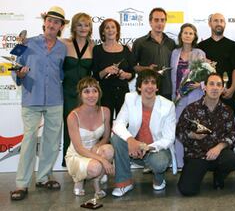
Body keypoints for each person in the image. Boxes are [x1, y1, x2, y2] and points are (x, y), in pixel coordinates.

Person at [10, 6, 68, 201]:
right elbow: (15, 66)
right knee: (28, 141)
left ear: (61, 26)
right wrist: (19, 74)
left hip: (54, 99)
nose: (52, 24)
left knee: (51, 142)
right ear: (44, 22)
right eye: (49, 20)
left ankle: (43, 177)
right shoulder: (27, 43)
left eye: (56, 22)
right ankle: (21, 184)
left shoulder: (62, 47)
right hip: (31, 98)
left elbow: (61, 73)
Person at [111, 69, 176, 197]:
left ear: (157, 87)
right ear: (139, 87)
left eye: (153, 83)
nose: (150, 86)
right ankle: (125, 183)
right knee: (116, 139)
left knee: (160, 162)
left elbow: (169, 138)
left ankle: (159, 179)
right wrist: (131, 140)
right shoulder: (130, 99)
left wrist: (148, 147)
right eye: (146, 82)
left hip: (155, 150)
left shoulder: (168, 106)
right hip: (134, 149)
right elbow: (118, 124)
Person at [176, 73, 235, 196]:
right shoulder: (191, 109)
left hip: (218, 154)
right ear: (204, 87)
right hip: (196, 154)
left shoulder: (227, 110)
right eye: (211, 84)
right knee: (187, 190)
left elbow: (232, 135)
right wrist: (192, 135)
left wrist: (219, 147)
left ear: (222, 89)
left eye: (218, 85)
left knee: (232, 160)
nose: (215, 88)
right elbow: (179, 130)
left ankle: (219, 176)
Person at [65, 77, 114, 199]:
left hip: (93, 149)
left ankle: (96, 182)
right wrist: (103, 161)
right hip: (77, 154)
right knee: (96, 167)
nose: (91, 95)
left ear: (99, 93)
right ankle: (78, 179)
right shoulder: (72, 116)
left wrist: (98, 145)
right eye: (86, 91)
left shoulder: (106, 111)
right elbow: (79, 148)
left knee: (109, 150)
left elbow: (106, 136)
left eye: (94, 91)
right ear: (80, 95)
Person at [171, 23, 206, 169]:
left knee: (194, 128)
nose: (187, 35)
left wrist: (200, 84)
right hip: (179, 97)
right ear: (181, 35)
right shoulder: (174, 53)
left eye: (191, 33)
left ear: (194, 36)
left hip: (195, 96)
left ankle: (195, 162)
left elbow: (205, 73)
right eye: (185, 33)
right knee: (179, 129)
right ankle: (179, 163)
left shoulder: (199, 53)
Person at [61, 12, 94, 166]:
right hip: (67, 93)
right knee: (70, 128)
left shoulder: (93, 46)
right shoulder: (64, 44)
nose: (83, 28)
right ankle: (69, 162)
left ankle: (86, 161)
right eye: (79, 24)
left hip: (86, 96)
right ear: (73, 27)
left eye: (86, 25)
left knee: (86, 128)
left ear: (90, 28)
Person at [92, 18, 135, 126]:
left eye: (113, 27)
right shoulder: (97, 50)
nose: (110, 30)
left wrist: (126, 75)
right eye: (107, 27)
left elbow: (132, 73)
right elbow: (95, 75)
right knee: (105, 125)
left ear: (117, 30)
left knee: (125, 125)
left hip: (123, 92)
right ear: (103, 31)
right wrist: (105, 70)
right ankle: (106, 143)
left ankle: (123, 143)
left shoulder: (126, 49)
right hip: (105, 93)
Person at [132, 7, 176, 99]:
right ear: (150, 22)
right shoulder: (140, 43)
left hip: (167, 90)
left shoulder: (171, 43)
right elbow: (133, 67)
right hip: (148, 90)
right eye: (156, 20)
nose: (160, 23)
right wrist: (147, 69)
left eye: (162, 20)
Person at [198, 13, 235, 111]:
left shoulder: (233, 45)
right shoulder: (201, 46)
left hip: (227, 93)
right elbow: (198, 71)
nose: (219, 23)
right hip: (207, 93)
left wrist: (232, 89)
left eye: (221, 21)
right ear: (209, 23)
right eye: (215, 21)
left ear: (225, 24)